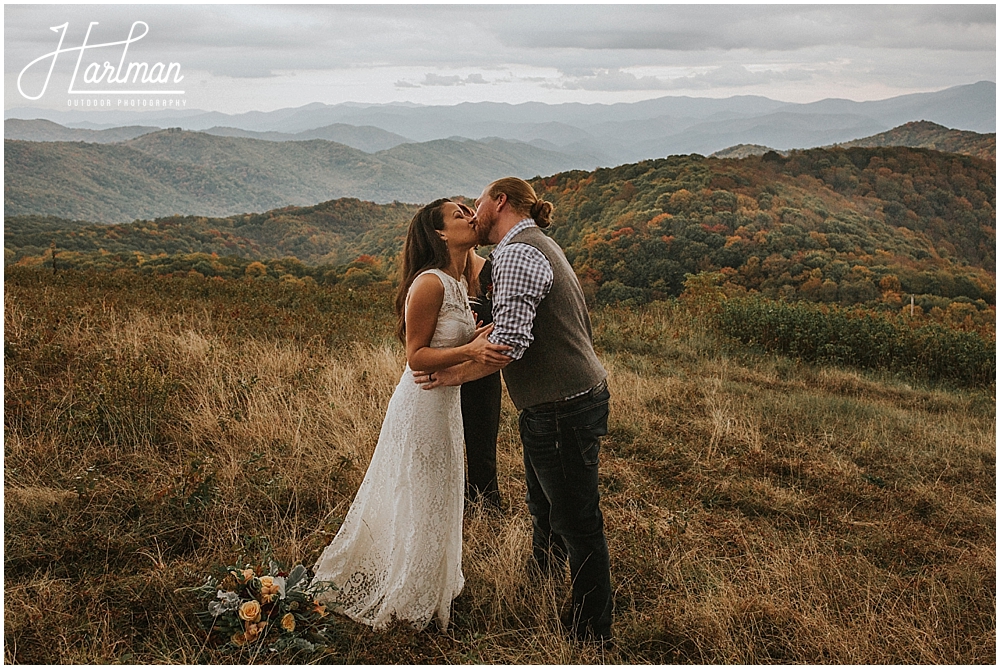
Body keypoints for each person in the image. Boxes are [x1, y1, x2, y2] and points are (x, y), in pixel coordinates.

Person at [414, 178, 613, 642]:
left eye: (477, 203)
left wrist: (449, 377)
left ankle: (591, 632)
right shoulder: (529, 245)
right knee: (545, 510)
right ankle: (539, 585)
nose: (473, 211)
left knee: (578, 523)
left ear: (499, 201)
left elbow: (508, 345)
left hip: (562, 406)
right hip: (556, 404)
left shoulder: (518, 254)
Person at [311, 199, 511, 631]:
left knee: (441, 493)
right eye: (460, 215)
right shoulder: (430, 283)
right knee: (421, 493)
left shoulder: (459, 282)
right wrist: (470, 349)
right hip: (421, 405)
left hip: (445, 405)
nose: (471, 217)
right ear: (439, 233)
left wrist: (474, 338)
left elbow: (447, 341)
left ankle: (428, 585)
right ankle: (406, 592)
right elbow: (416, 357)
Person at [458, 202, 503, 510]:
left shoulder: (491, 270)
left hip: (483, 370)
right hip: (445, 366)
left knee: (481, 442)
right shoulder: (436, 276)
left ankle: (486, 502)